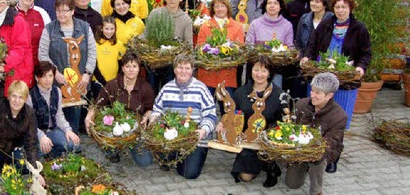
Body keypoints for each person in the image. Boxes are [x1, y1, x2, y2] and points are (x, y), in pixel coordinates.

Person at [300, 0, 371, 173]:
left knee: (339, 119)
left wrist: (360, 68)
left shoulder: (359, 29)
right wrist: (307, 57)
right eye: (337, 6)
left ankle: (332, 156)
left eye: (344, 7)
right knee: (316, 115)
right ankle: (311, 152)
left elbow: (365, 53)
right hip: (322, 80)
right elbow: (312, 45)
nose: (340, 10)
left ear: (350, 8)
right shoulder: (325, 25)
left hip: (345, 82)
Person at [143, 54, 216, 179]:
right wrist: (153, 119)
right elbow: (157, 110)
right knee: (161, 157)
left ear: (192, 70)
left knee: (189, 173)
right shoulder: (166, 88)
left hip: (194, 139)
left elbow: (211, 114)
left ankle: (185, 156)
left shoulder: (201, 89)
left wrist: (203, 131)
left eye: (187, 68)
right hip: (171, 137)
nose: (183, 71)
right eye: (180, 67)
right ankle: (174, 154)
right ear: (174, 69)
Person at [216, 55, 284, 187]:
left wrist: (271, 137)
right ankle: (259, 162)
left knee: (265, 155)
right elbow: (232, 116)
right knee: (245, 177)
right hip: (247, 140)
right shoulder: (241, 93)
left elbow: (282, 122)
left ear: (270, 73)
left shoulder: (278, 94)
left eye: (264, 71)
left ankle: (271, 165)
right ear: (250, 71)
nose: (259, 74)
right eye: (256, 70)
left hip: (268, 140)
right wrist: (223, 125)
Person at [38, 0, 97, 134]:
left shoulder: (84, 28)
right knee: (58, 116)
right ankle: (59, 145)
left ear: (72, 11)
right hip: (57, 82)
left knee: (75, 115)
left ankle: (73, 145)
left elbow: (92, 52)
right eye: (58, 10)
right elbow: (42, 55)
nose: (61, 14)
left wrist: (87, 74)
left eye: (65, 10)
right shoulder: (49, 29)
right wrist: (55, 72)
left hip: (79, 82)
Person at [85, 52, 155, 165]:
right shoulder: (112, 85)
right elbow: (98, 104)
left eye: (134, 66)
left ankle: (130, 144)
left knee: (145, 162)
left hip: (136, 130)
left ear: (139, 69)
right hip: (114, 127)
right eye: (127, 66)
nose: (131, 70)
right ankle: (113, 150)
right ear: (122, 68)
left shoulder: (145, 87)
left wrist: (146, 117)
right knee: (104, 133)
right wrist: (89, 115)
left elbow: (150, 108)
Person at [0, 80, 45, 186]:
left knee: (36, 153)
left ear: (26, 99)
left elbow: (31, 143)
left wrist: (36, 172)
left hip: (15, 152)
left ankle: (9, 173)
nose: (17, 101)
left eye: (21, 97)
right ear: (8, 96)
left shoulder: (30, 114)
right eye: (14, 96)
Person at [285, 72, 347, 195]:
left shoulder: (339, 116)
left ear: (329, 95)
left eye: (317, 93)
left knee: (318, 160)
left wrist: (311, 150)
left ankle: (316, 190)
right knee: (293, 184)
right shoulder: (301, 104)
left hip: (323, 150)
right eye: (312, 91)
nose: (312, 95)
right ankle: (302, 166)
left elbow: (329, 144)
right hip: (300, 147)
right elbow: (292, 128)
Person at [196, 0, 245, 113]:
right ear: (212, 9)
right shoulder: (205, 26)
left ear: (227, 8)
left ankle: (226, 132)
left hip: (227, 77)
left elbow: (240, 48)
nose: (219, 9)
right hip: (207, 76)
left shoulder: (237, 27)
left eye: (222, 6)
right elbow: (200, 47)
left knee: (227, 112)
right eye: (216, 6)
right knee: (206, 110)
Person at [26, 61, 81, 158]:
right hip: (36, 133)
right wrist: (41, 136)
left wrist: (67, 130)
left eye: (50, 76)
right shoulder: (30, 96)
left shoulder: (57, 91)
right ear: (37, 78)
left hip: (53, 131)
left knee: (74, 145)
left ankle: (53, 152)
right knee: (35, 154)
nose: (48, 80)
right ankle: (48, 151)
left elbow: (59, 115)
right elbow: (29, 123)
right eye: (44, 76)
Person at [290, 0, 333, 99]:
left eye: (317, 1)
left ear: (325, 4)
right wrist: (302, 57)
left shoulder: (331, 20)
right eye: (312, 0)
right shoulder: (304, 19)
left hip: (323, 65)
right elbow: (298, 42)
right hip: (304, 64)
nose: (313, 3)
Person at [246, 0, 294, 88]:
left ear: (280, 7)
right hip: (257, 70)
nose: (272, 6)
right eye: (269, 3)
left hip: (277, 70)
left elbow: (290, 46)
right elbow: (248, 45)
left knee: (274, 98)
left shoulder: (287, 25)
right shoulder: (255, 24)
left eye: (275, 3)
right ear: (265, 6)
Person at [16, 0, 51, 66]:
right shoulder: (10, 14)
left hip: (38, 65)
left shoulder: (42, 13)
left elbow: (50, 39)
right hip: (17, 66)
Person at [94, 16, 126, 86]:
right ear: (101, 28)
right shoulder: (95, 43)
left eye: (112, 29)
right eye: (106, 29)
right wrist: (102, 81)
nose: (109, 32)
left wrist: (117, 78)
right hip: (98, 81)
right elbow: (93, 65)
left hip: (114, 81)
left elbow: (121, 62)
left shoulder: (118, 44)